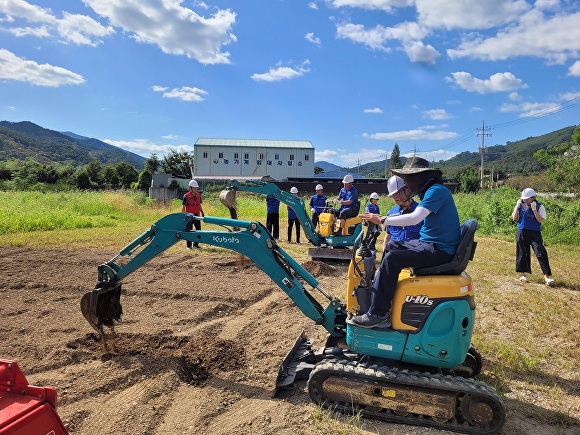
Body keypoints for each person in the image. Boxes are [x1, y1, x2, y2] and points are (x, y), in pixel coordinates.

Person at [350, 157, 461, 328]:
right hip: (431, 244)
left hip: (439, 250)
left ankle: (378, 314)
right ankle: (382, 294)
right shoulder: (431, 191)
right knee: (391, 245)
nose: (406, 184)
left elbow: (414, 218)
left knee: (393, 258)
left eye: (408, 179)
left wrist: (381, 220)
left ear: (419, 177)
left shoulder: (436, 191)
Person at [511, 188, 555, 286]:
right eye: (524, 199)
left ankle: (546, 277)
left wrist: (535, 210)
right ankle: (523, 275)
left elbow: (540, 220)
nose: (525, 200)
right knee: (522, 252)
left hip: (534, 232)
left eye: (527, 199)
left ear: (533, 198)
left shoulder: (540, 206)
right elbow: (514, 218)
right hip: (521, 231)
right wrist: (516, 207)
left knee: (540, 252)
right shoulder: (520, 205)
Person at [381, 175, 423, 258]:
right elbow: (388, 236)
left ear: (407, 190)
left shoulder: (420, 212)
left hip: (414, 258)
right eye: (393, 195)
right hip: (395, 260)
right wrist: (384, 255)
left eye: (397, 193)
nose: (394, 197)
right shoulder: (391, 213)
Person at [182, 179, 205, 249]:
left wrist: (202, 212)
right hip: (189, 216)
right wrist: (183, 216)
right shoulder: (186, 196)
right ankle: (189, 246)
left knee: (198, 230)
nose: (196, 189)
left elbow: (199, 205)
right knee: (188, 230)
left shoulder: (198, 195)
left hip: (197, 216)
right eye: (194, 188)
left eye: (196, 188)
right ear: (191, 188)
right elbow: (183, 207)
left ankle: (196, 244)